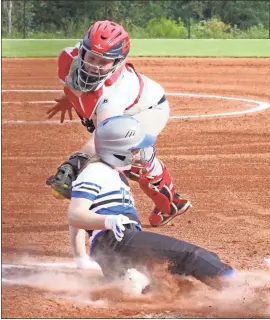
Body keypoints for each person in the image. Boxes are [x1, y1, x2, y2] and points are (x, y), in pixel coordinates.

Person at [46, 20, 191, 227]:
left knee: (120, 159)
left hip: (146, 110)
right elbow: (74, 84)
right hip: (116, 113)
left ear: (117, 63)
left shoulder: (115, 91)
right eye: (91, 57)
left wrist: (76, 162)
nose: (94, 66)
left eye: (103, 62)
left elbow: (103, 139)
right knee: (119, 158)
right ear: (82, 51)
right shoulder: (67, 59)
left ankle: (169, 202)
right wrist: (67, 97)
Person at [67, 115, 234, 290]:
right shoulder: (95, 171)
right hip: (116, 241)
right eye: (134, 150)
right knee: (193, 257)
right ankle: (241, 289)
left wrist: (81, 255)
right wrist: (108, 221)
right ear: (119, 151)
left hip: (115, 252)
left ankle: (134, 282)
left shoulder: (110, 171)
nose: (138, 153)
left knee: (178, 278)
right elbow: (75, 214)